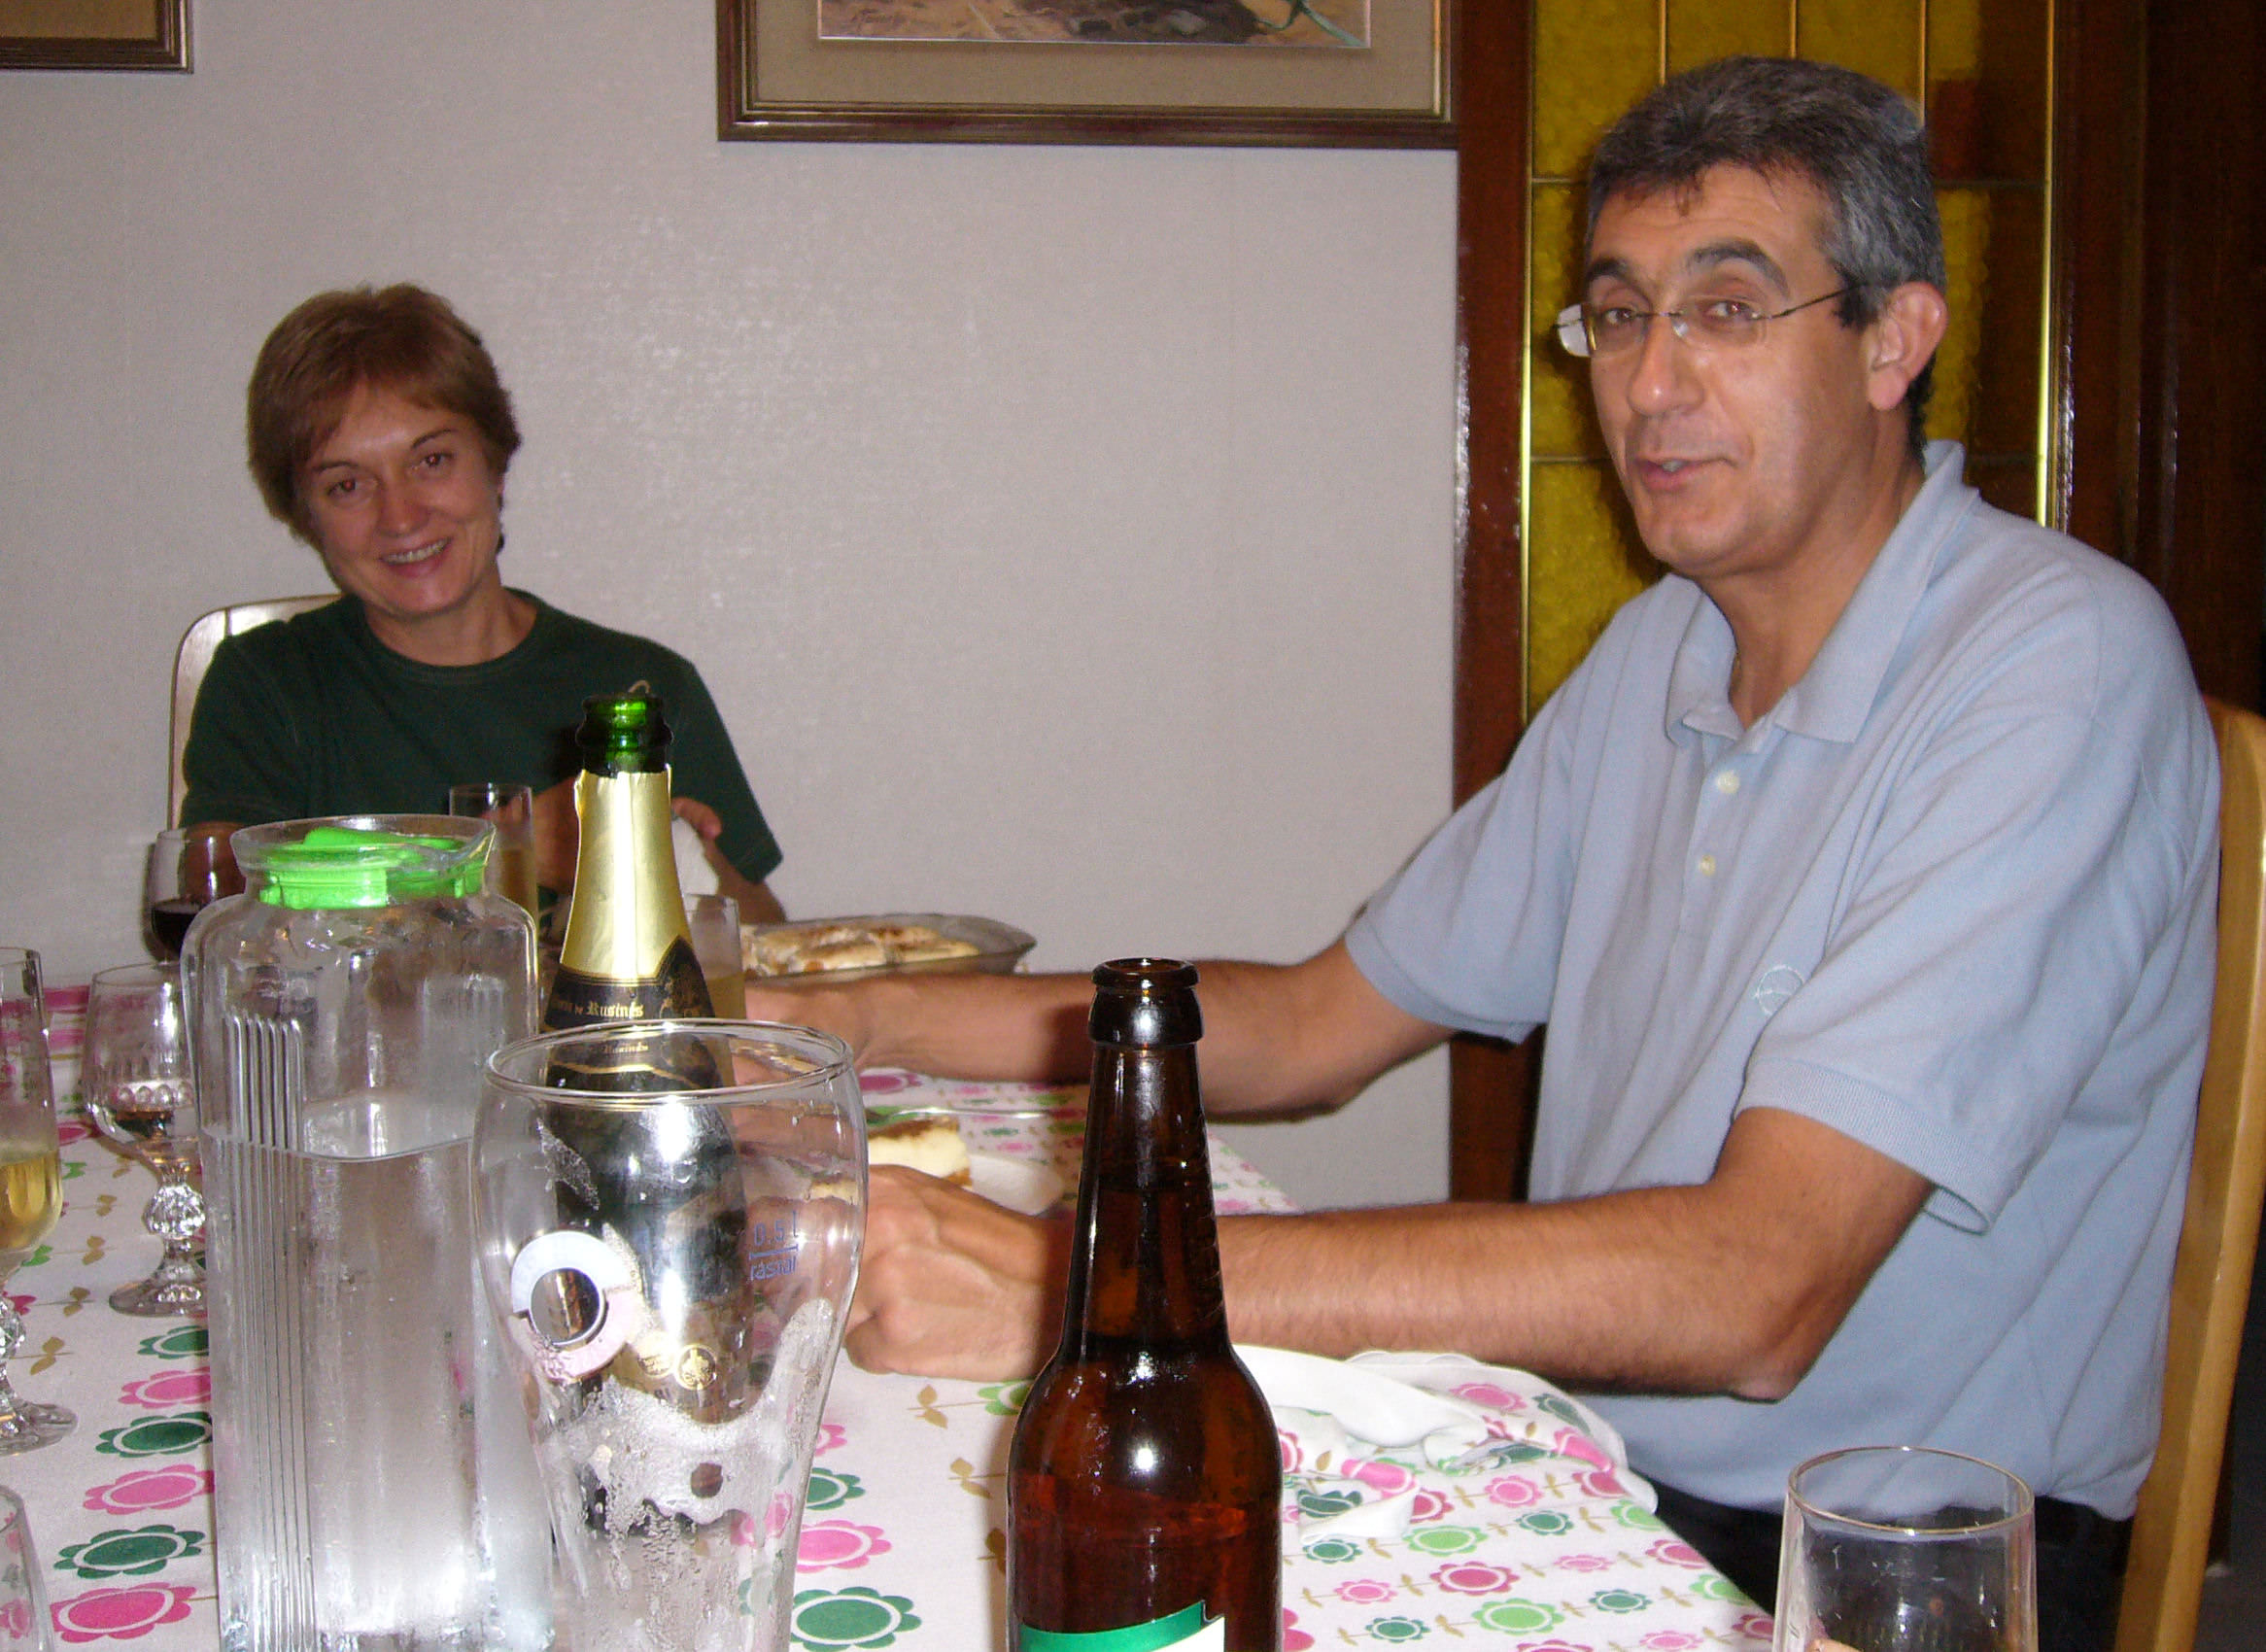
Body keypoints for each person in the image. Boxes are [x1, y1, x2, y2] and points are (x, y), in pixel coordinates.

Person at [749, 57, 2217, 1652]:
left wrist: (1089, 1289)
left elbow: (1758, 1287)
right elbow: (1312, 1024)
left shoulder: (2054, 664)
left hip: (1885, 1569)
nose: (1650, 385)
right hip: (1589, 1467)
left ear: (1894, 338)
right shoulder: (1662, 651)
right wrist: (829, 1021)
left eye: (1727, 311)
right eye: (1620, 315)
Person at [178, 283, 786, 921]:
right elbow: (217, 908)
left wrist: (681, 866)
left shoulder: (640, 687)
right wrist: (506, 854)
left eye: (432, 460)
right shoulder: (266, 683)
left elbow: (768, 943)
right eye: (348, 485)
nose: (401, 516)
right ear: (306, 517)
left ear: (494, 466)